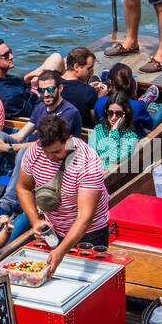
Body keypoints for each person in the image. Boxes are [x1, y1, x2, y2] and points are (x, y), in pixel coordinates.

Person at [16, 114, 111, 278]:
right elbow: (23, 188)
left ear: (69, 140)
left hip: (90, 233)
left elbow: (85, 217)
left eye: (56, 152)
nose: (51, 157)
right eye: (47, 152)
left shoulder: (88, 162)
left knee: (84, 281)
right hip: (53, 229)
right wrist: (35, 221)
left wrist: (61, 250)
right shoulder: (35, 151)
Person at [0, 69, 83, 206]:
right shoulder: (41, 106)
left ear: (60, 88)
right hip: (35, 155)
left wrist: (8, 147)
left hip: (56, 159)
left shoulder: (69, 112)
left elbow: (47, 144)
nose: (46, 94)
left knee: (25, 151)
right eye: (41, 91)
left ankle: (8, 203)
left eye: (50, 89)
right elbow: (21, 135)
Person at [93, 63, 162, 137]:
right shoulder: (137, 105)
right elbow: (149, 125)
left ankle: (145, 100)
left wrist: (101, 96)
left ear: (110, 84)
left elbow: (97, 118)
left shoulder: (100, 101)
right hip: (136, 138)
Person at [0, 38, 62, 117]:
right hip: (34, 108)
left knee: (55, 59)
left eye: (10, 52)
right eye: (6, 55)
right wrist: (36, 93)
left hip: (24, 95)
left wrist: (30, 76)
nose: (11, 56)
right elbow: (31, 111)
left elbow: (13, 84)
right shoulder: (9, 97)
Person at [89, 94, 139, 169]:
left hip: (111, 177)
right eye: (110, 112)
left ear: (126, 114)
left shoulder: (130, 136)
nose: (114, 117)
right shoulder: (99, 129)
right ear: (106, 112)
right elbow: (90, 157)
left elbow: (114, 159)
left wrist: (115, 130)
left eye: (119, 113)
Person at [61, 47, 104, 126]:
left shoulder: (55, 85)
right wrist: (101, 99)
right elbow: (96, 122)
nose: (91, 73)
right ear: (76, 67)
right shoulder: (88, 92)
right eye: (89, 69)